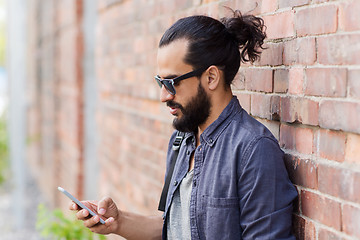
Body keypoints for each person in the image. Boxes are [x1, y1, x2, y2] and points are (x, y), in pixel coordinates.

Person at [70, 9, 298, 240]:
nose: (163, 95)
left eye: (171, 82)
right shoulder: (182, 140)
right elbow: (174, 228)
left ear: (211, 77)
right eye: (160, 81)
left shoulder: (253, 149)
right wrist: (117, 222)